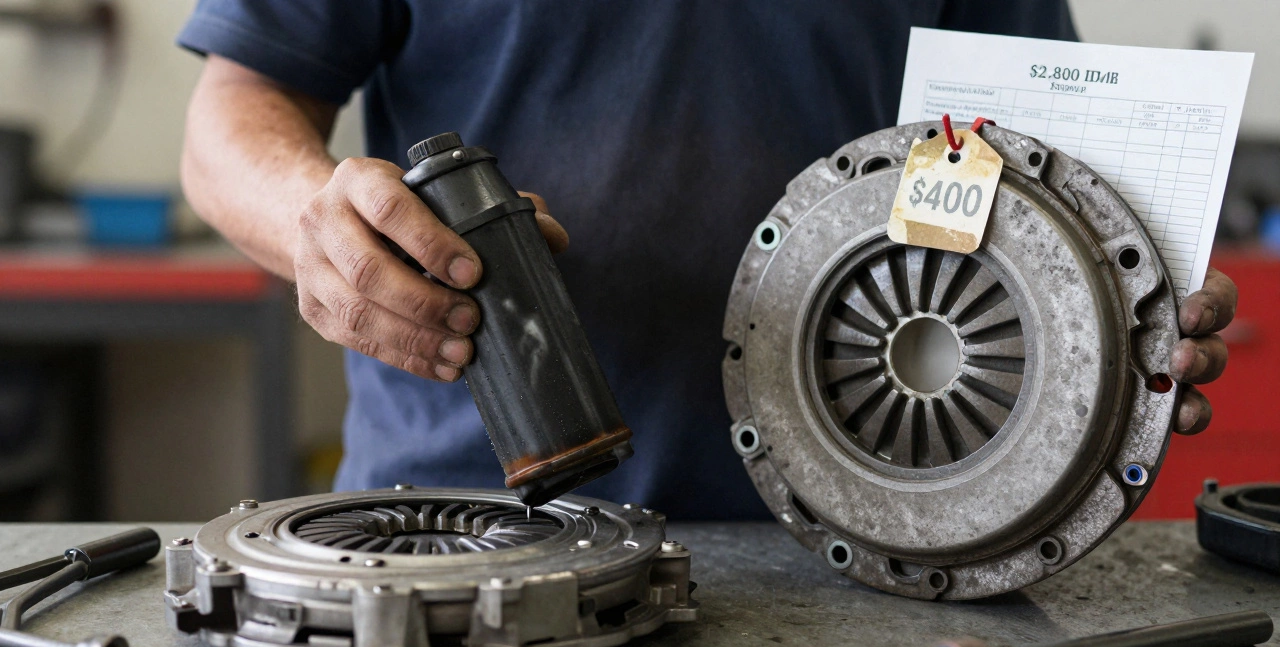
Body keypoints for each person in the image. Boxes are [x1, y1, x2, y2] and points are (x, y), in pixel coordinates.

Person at [177, 1, 1236, 520]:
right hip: (470, 521)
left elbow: (1028, 136)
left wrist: (1129, 289)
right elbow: (232, 114)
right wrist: (312, 217)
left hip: (868, 532)